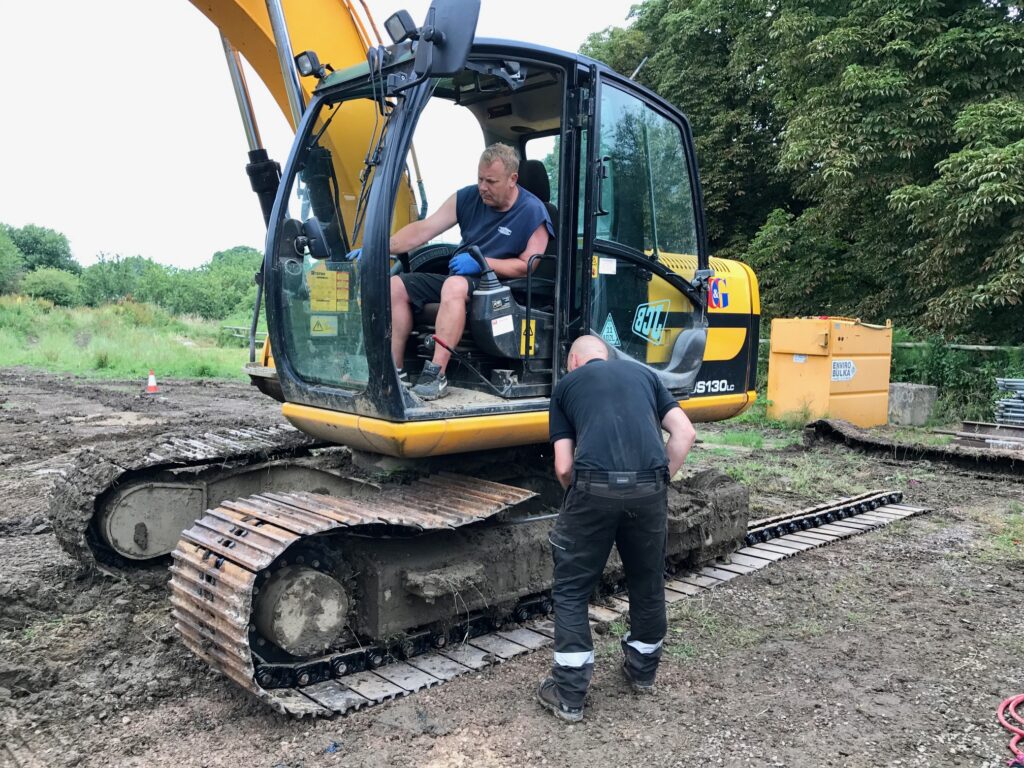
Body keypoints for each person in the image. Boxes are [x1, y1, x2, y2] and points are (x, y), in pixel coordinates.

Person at [537, 335, 697, 723]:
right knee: (646, 580)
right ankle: (642, 672)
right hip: (649, 489)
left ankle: (569, 694)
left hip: (593, 487)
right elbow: (685, 434)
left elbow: (562, 466)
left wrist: (582, 500)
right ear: (607, 355)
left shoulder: (567, 387)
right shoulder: (645, 376)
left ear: (574, 360)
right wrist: (659, 482)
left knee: (573, 588)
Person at [386, 143, 553, 400]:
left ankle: (435, 375)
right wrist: (380, 246)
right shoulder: (467, 198)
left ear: (512, 179)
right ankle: (395, 373)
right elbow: (424, 229)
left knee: (453, 286)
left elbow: (527, 266)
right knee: (396, 285)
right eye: (480, 179)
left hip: (499, 286)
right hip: (462, 277)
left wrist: (484, 263)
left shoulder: (533, 212)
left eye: (491, 181)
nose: (483, 187)